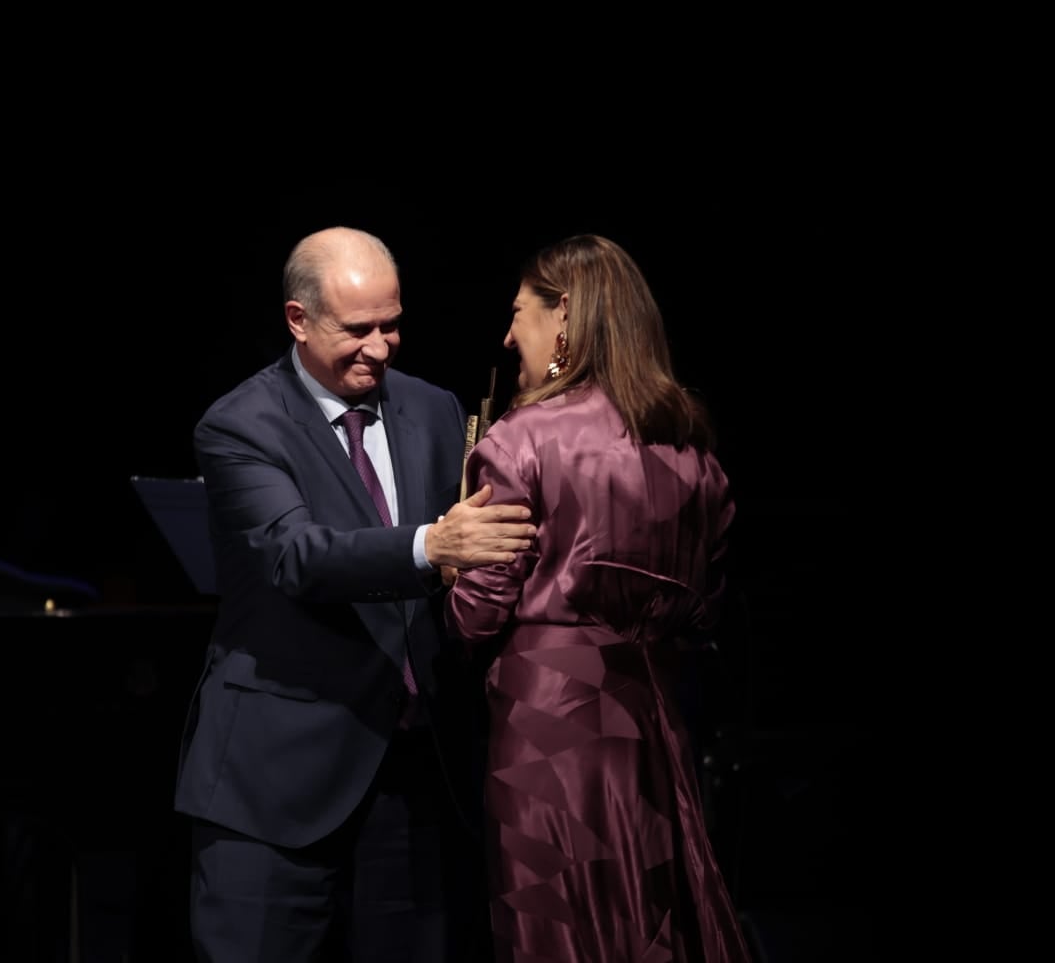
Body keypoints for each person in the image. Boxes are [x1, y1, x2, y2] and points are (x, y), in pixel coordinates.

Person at [174, 225, 539, 963]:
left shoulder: (436, 410)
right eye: (357, 329)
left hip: (413, 779)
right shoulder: (240, 424)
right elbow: (293, 554)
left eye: (392, 325)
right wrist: (429, 545)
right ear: (297, 320)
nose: (380, 346)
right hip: (272, 786)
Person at [444, 234, 753, 961]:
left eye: (520, 312)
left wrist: (451, 568)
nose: (508, 333)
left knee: (550, 930)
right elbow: (707, 608)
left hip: (544, 729)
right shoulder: (691, 451)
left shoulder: (518, 442)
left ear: (565, 319)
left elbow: (475, 615)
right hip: (650, 720)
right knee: (645, 927)